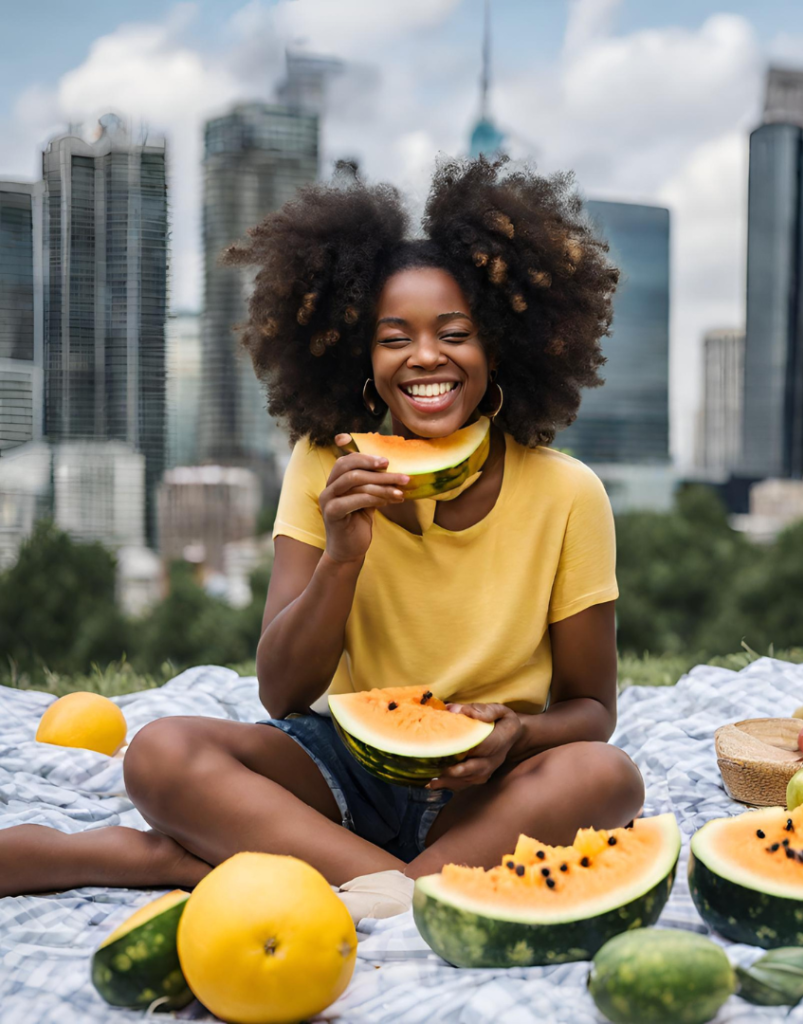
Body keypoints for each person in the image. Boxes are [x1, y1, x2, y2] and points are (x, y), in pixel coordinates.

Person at [0, 157, 644, 908]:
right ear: (364, 360)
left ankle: (194, 863)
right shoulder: (323, 463)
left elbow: (593, 713)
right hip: (340, 765)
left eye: (455, 333)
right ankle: (411, 888)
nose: (426, 357)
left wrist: (515, 736)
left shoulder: (570, 493)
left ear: (497, 347)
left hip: (487, 786)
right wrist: (341, 558)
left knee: (609, 777)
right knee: (161, 750)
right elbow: (282, 690)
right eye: (393, 337)